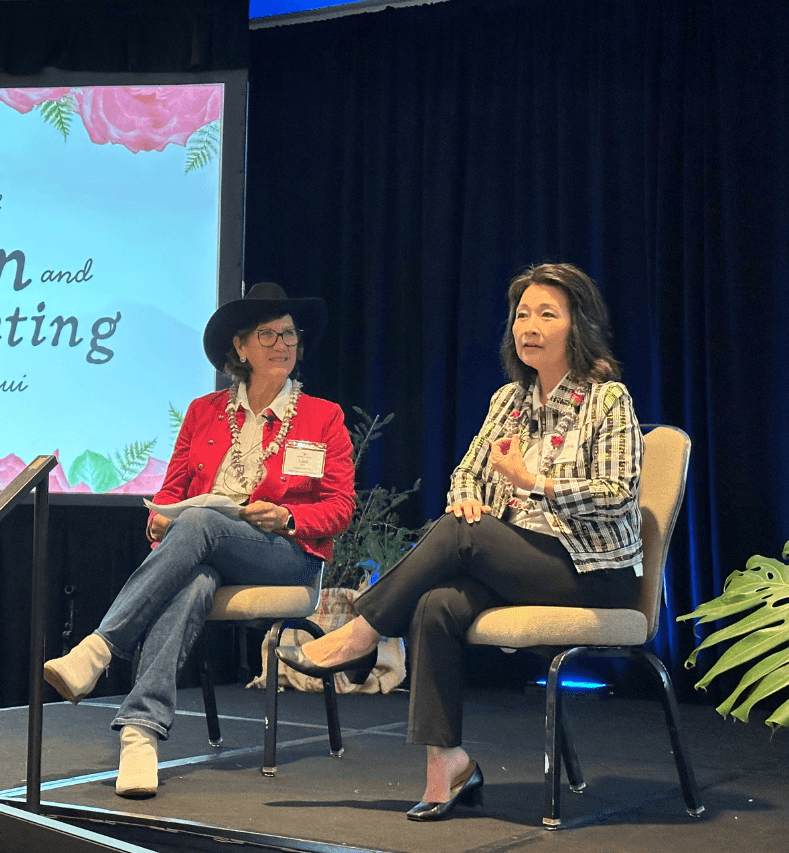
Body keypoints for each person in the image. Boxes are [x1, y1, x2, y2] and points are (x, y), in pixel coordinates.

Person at [277, 262, 643, 822]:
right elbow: (467, 473)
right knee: (436, 602)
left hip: (593, 572)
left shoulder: (606, 399)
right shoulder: (508, 402)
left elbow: (618, 494)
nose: (530, 326)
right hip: (521, 562)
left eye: (548, 314)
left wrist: (534, 483)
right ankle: (447, 764)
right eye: (522, 314)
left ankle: (361, 632)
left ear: (579, 326)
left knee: (462, 535)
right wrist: (468, 497)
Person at [44, 282, 355, 799]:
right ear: (240, 348)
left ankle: (100, 647)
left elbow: (340, 507)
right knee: (195, 575)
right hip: (205, 548)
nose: (283, 344)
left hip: (284, 554)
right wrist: (160, 522)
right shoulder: (203, 412)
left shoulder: (323, 416)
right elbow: (171, 491)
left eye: (290, 335)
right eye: (268, 334)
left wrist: (288, 518)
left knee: (203, 524)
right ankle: (140, 736)